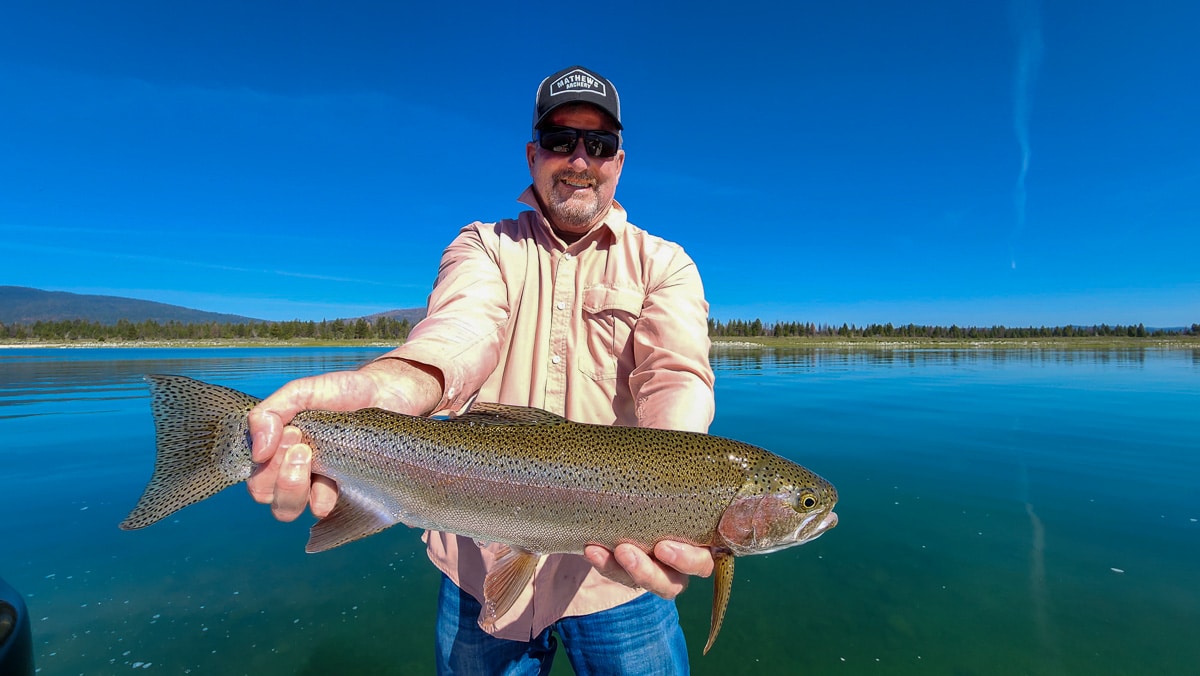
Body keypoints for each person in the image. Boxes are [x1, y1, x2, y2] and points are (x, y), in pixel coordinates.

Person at [246, 65, 717, 675]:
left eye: (598, 145)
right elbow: (462, 330)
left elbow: (675, 374)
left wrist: (681, 486)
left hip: (616, 580)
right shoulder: (483, 245)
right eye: (560, 140)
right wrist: (391, 386)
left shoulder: (667, 264)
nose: (579, 158)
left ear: (618, 162)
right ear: (532, 154)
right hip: (474, 561)